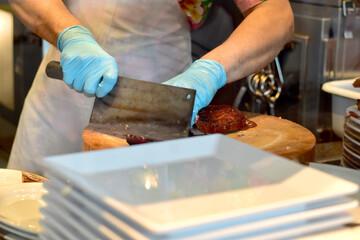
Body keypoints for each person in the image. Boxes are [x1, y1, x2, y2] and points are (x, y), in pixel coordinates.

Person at [8, 0, 294, 175]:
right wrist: (69, 34)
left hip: (159, 110)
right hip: (61, 104)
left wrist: (209, 72)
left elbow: (276, 14)